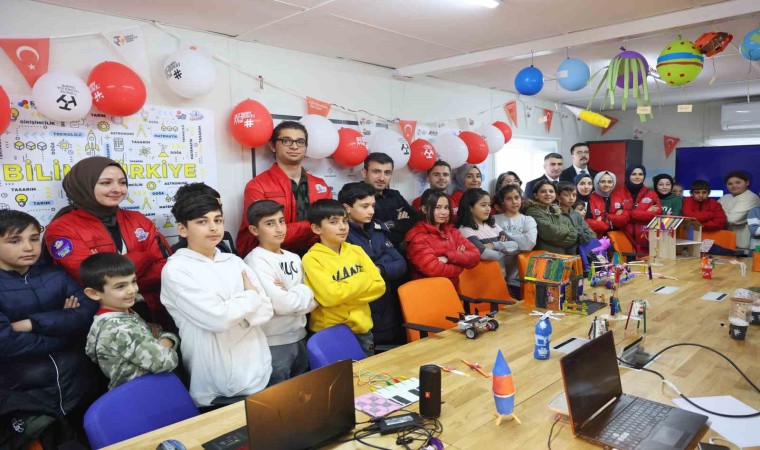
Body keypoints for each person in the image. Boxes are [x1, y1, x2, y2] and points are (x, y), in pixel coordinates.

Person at [161, 194, 273, 407]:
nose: (213, 228)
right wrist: (250, 297)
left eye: (218, 220)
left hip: (259, 369)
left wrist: (234, 312)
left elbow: (266, 309)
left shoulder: (234, 261)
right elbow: (218, 319)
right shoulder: (176, 270)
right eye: (202, 222)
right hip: (217, 385)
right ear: (183, 229)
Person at [0, 210, 100, 447]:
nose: (29, 247)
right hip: (26, 396)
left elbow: (88, 314)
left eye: (34, 238)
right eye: (15, 241)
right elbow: (6, 343)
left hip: (79, 386)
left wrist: (32, 324)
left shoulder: (57, 275)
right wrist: (66, 328)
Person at [44, 156, 172, 326]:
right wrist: (144, 257)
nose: (117, 189)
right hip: (99, 320)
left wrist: (118, 281)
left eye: (122, 182)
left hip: (153, 311)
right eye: (106, 183)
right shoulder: (62, 228)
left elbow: (167, 266)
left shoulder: (138, 219)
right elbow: (95, 279)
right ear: (84, 185)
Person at [244, 200, 316, 385]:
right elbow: (282, 305)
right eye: (270, 223)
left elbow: (315, 300)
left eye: (281, 221)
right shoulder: (255, 261)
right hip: (274, 343)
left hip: (302, 336)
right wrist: (303, 291)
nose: (279, 228)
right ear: (254, 230)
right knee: (281, 396)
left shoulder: (294, 257)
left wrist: (293, 293)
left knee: (304, 392)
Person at [82, 253, 179, 390]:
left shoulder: (123, 314)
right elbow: (167, 361)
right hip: (144, 394)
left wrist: (157, 343)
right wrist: (169, 339)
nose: (132, 290)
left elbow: (154, 331)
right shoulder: (118, 328)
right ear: (94, 293)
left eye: (133, 281)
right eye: (120, 286)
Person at [302, 199, 385, 357]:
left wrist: (342, 294)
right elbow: (331, 297)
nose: (342, 227)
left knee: (367, 372)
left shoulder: (356, 250)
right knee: (340, 374)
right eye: (334, 222)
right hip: (329, 333)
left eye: (345, 221)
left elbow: (379, 286)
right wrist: (363, 278)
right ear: (316, 228)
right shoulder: (311, 259)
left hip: (362, 330)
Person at [236, 121, 332, 256]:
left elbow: (330, 227)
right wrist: (312, 226)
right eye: (286, 141)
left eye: (300, 142)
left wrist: (320, 227)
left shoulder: (320, 185)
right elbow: (264, 235)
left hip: (316, 257)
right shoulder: (258, 186)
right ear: (272, 146)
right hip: (273, 258)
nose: (294, 146)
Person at [340, 182, 407, 346]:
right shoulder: (342, 235)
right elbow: (357, 274)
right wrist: (384, 259)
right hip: (359, 308)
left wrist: (379, 268)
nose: (371, 211)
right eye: (365, 206)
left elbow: (401, 264)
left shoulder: (377, 229)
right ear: (347, 208)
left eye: (373, 206)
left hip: (385, 303)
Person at [405, 190, 480, 290]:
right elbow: (434, 269)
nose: (444, 212)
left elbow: (475, 255)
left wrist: (448, 257)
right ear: (424, 209)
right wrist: (461, 263)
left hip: (452, 291)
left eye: (446, 207)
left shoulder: (452, 231)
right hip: (429, 293)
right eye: (437, 207)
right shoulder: (418, 237)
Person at [361, 152, 419, 248]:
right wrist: (399, 224)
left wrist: (392, 225)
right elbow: (371, 234)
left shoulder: (394, 195)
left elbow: (416, 218)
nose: (382, 178)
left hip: (398, 252)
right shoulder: (356, 197)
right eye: (376, 172)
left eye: (387, 173)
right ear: (364, 172)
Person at [493, 185, 537, 298]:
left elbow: (528, 243)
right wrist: (519, 239)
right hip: (499, 274)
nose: (514, 202)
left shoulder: (528, 220)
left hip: (518, 276)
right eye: (509, 198)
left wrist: (505, 238)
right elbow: (492, 244)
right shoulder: (494, 220)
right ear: (502, 201)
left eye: (517, 197)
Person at [171, 182, 237, 255]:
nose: (219, 212)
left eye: (219, 207)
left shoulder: (224, 238)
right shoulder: (176, 256)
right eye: (202, 221)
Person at [457, 188, 517, 265]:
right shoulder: (464, 230)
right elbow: (483, 254)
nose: (488, 209)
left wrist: (493, 245)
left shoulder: (493, 226)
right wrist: (505, 249)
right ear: (470, 208)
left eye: (489, 205)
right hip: (482, 272)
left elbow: (515, 245)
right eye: (483, 205)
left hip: (502, 271)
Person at [523, 180, 578, 254]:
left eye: (551, 191)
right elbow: (550, 233)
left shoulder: (556, 211)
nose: (548, 194)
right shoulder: (533, 211)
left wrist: (554, 239)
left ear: (555, 195)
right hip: (542, 256)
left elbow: (573, 236)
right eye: (543, 191)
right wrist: (566, 228)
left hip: (559, 256)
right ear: (536, 195)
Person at [623, 165, 661, 254]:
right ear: (628, 175)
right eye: (634, 174)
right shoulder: (619, 193)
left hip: (645, 241)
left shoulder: (651, 194)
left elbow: (656, 215)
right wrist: (645, 212)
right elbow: (618, 217)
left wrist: (628, 214)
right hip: (624, 239)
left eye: (640, 174)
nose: (637, 177)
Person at [718, 171, 760, 252]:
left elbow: (733, 218)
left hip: (743, 245)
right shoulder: (725, 197)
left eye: (738, 182)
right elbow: (712, 211)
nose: (733, 186)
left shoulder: (751, 197)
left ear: (747, 183)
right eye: (730, 184)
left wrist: (717, 215)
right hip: (725, 242)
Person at [586, 171, 630, 238]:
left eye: (609, 182)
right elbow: (586, 222)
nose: (606, 184)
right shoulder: (589, 198)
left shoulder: (620, 197)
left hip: (617, 238)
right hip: (596, 238)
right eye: (602, 181)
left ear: (613, 183)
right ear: (597, 182)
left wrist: (606, 217)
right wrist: (610, 223)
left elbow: (625, 219)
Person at [556, 182, 595, 255]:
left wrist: (575, 233)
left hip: (579, 252)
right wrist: (579, 232)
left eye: (574, 195)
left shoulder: (576, 214)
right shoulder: (555, 214)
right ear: (557, 196)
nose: (571, 198)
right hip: (561, 254)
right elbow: (560, 238)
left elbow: (588, 234)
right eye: (566, 195)